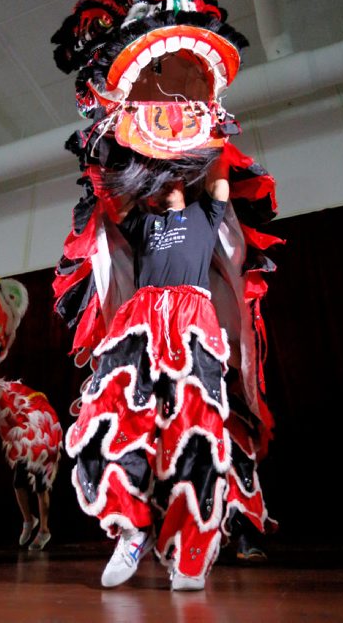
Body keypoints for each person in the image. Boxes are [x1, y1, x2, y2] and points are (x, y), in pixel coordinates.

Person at [66, 153, 231, 591]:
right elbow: (115, 205)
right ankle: (131, 530)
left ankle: (187, 551)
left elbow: (219, 176)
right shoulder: (144, 222)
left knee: (197, 427)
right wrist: (108, 157)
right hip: (140, 319)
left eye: (175, 174)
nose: (167, 181)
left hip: (192, 318)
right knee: (110, 416)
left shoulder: (205, 212)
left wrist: (211, 127)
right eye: (159, 177)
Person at [13, 461, 51, 551]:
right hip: (27, 449)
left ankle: (43, 529)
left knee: (41, 486)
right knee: (18, 482)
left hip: (44, 450)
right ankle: (28, 520)